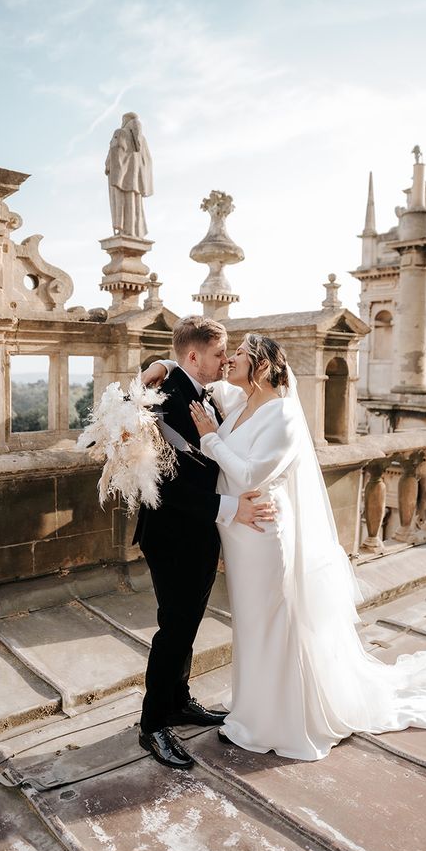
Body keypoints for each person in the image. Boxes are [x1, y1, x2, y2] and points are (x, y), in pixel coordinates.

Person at [144, 334, 426, 761]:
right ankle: (251, 708)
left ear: (262, 367)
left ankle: (276, 721)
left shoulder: (282, 414)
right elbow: (185, 365)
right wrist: (164, 365)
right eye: (225, 354)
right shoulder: (238, 400)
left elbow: (248, 474)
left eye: (239, 356)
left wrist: (210, 438)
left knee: (274, 624)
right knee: (251, 628)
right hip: (239, 534)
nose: (229, 360)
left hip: (264, 535)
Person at [134, 317, 275, 770]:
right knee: (173, 629)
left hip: (197, 534)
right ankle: (152, 725)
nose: (226, 360)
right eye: (219, 353)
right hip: (172, 533)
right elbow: (167, 485)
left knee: (189, 624)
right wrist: (233, 510)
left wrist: (160, 361)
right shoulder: (164, 400)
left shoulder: (202, 392)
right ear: (194, 356)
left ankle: (178, 700)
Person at [105, 112, 153, 238]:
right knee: (134, 204)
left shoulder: (120, 133)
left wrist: (108, 165)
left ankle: (123, 230)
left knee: (122, 202)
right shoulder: (142, 140)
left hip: (121, 178)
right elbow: (147, 161)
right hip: (136, 181)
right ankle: (134, 231)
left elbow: (116, 151)